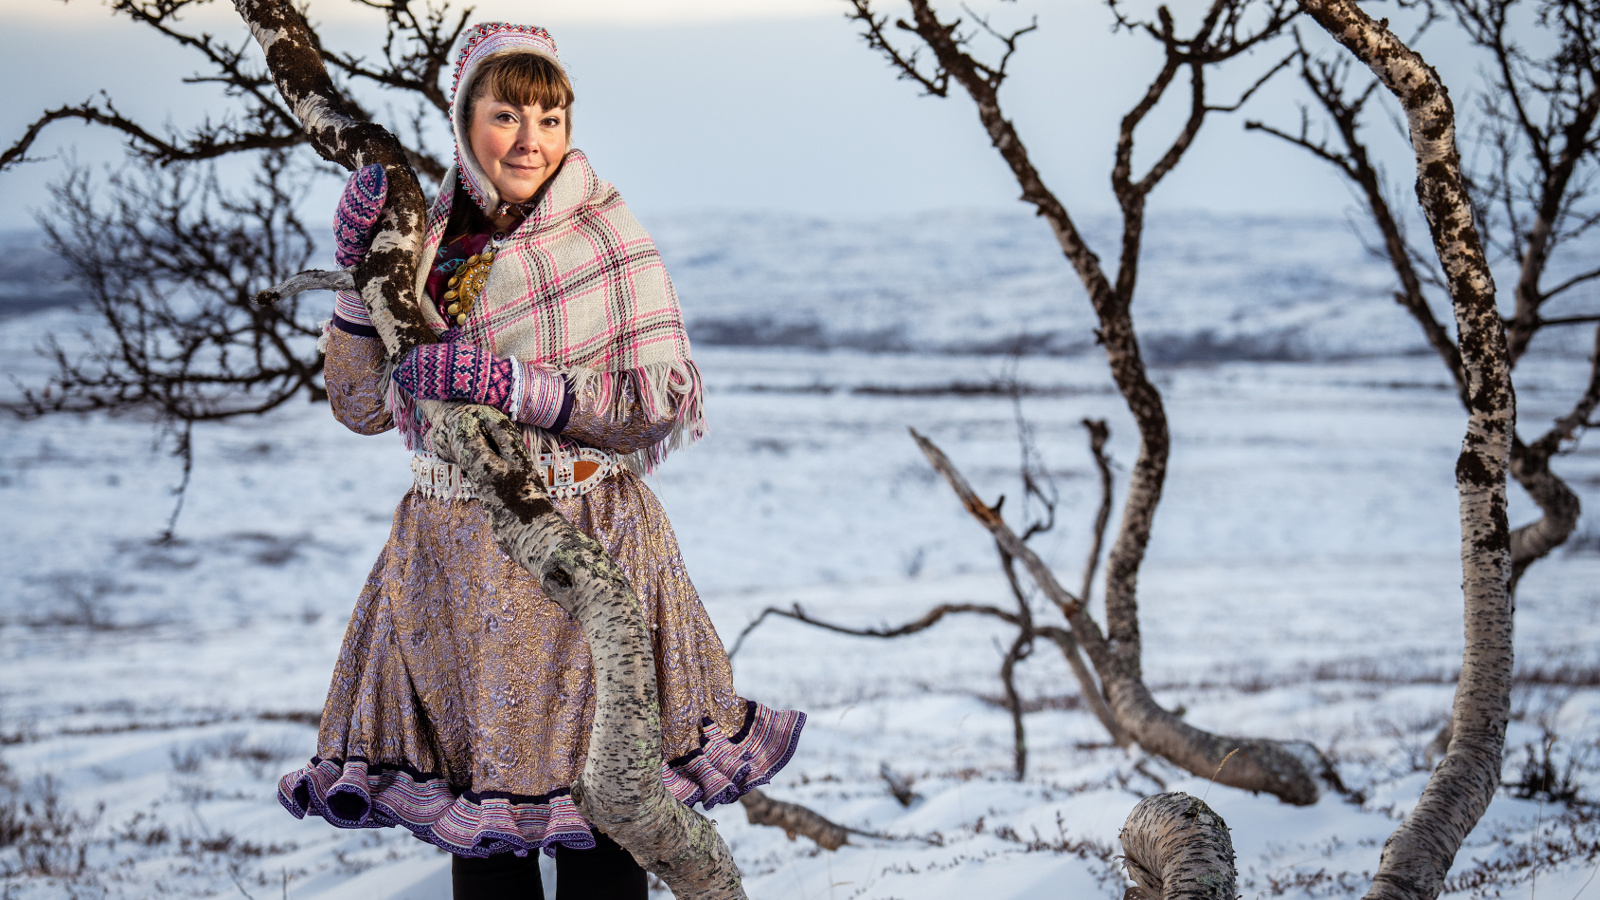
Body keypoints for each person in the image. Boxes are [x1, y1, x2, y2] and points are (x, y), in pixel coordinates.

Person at [277, 22, 805, 900]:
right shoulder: (425, 241)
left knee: (604, 822)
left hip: (585, 543)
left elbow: (654, 405)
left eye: (552, 116)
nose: (532, 139)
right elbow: (361, 405)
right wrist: (362, 285)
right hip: (455, 566)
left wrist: (513, 384)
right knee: (489, 847)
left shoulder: (604, 236)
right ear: (463, 122)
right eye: (507, 113)